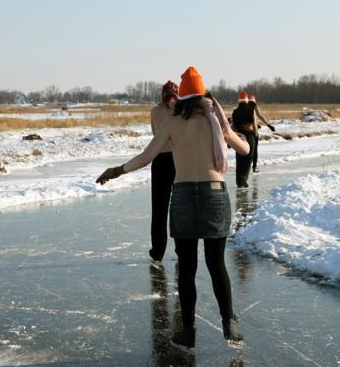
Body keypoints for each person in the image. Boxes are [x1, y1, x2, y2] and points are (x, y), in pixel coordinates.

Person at [97, 66, 249, 350]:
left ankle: (188, 330)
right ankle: (229, 322)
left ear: (181, 95)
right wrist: (227, 130)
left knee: (187, 267)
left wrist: (117, 170)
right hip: (214, 194)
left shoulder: (171, 122)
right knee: (216, 264)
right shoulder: (214, 119)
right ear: (203, 93)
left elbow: (146, 157)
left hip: (183, 197)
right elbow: (245, 151)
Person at [148, 80, 178, 261]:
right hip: (179, 159)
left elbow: (155, 134)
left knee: (159, 209)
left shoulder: (155, 111)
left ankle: (157, 250)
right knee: (178, 207)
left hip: (160, 160)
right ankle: (181, 248)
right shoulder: (182, 110)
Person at [230, 92, 256, 188]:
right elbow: (254, 126)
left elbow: (232, 126)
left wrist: (231, 139)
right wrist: (256, 135)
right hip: (249, 136)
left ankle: (238, 181)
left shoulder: (235, 112)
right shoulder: (251, 110)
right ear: (246, 100)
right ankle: (243, 180)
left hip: (238, 136)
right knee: (248, 158)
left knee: (239, 158)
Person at [248, 94, 275, 173]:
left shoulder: (243, 107)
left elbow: (258, 116)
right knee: (254, 150)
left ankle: (247, 167)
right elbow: (260, 116)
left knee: (248, 150)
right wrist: (268, 125)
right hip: (253, 131)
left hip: (248, 131)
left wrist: (268, 125)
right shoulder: (253, 107)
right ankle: (254, 167)